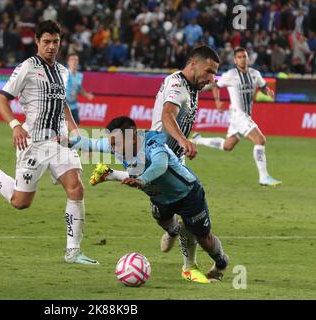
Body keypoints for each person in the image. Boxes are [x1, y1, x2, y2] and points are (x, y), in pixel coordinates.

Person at [0, 20, 98, 265]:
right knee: (20, 202)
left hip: (59, 140)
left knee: (76, 188)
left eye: (56, 41)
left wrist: (74, 129)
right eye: (46, 42)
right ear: (36, 42)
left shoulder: (63, 72)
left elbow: (62, 103)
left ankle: (73, 251)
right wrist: (14, 126)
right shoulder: (27, 67)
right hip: (33, 142)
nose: (52, 46)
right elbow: (1, 100)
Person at [88, 46, 221, 282]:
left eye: (214, 73)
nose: (211, 77)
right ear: (193, 64)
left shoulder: (193, 85)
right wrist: (183, 140)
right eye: (209, 71)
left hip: (172, 159)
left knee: (184, 208)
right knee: (161, 212)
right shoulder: (177, 85)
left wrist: (214, 84)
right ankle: (174, 234)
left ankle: (190, 266)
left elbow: (207, 85)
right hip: (155, 154)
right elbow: (167, 115)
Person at [71, 116, 229, 283]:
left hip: (187, 194)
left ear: (132, 137)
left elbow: (160, 165)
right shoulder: (117, 145)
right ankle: (175, 232)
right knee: (163, 221)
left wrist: (142, 180)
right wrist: (66, 141)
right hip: (160, 197)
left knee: (203, 238)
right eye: (111, 143)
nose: (113, 148)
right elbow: (91, 143)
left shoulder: (153, 143)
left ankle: (219, 264)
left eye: (116, 143)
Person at [191, 47, 281, 186]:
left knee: (228, 146)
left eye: (244, 56)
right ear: (235, 60)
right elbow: (215, 85)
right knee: (260, 140)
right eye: (239, 57)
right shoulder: (230, 75)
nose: (242, 59)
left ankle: (199, 140)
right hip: (238, 115)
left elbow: (263, 86)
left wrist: (268, 91)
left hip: (245, 115)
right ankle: (264, 177)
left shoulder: (255, 73)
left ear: (248, 58)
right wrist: (217, 101)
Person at [65, 53, 94, 124]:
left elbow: (79, 89)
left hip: (74, 106)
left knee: (76, 128)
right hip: (64, 106)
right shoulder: (64, 74)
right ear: (68, 62)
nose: (74, 62)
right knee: (65, 129)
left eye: (76, 60)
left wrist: (87, 95)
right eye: (72, 60)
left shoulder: (80, 75)